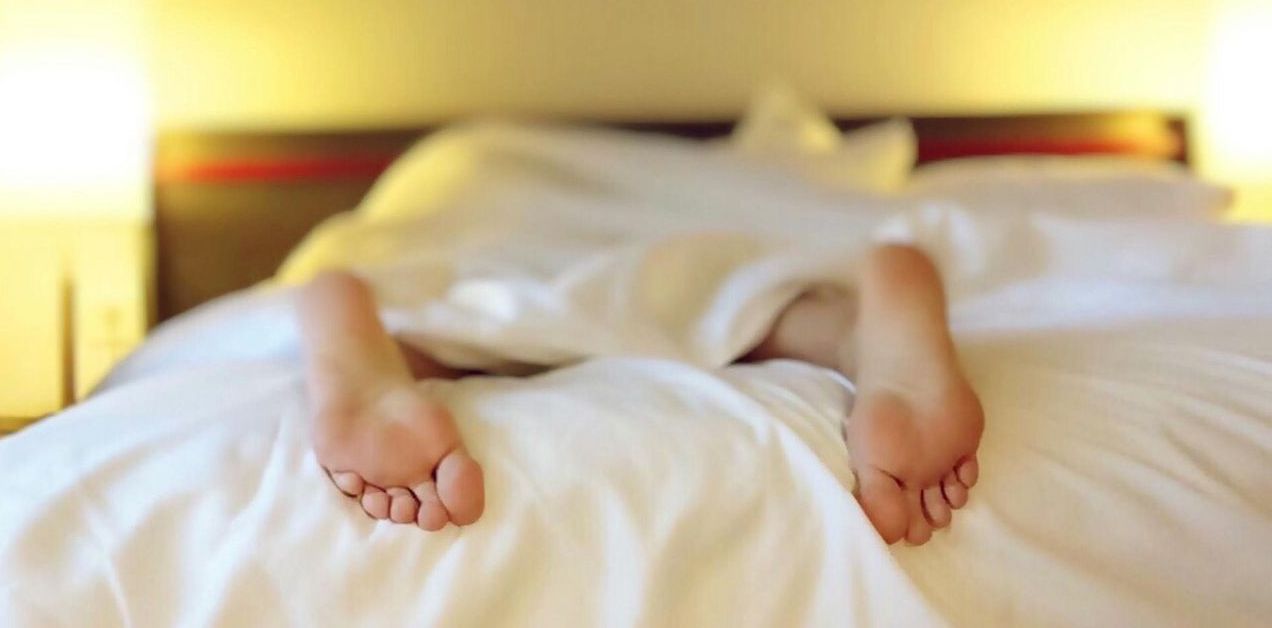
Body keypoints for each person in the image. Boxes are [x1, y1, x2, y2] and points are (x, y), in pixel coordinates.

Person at [298, 242, 984, 546]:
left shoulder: (476, 180)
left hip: (490, 271)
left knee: (457, 319)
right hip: (709, 259)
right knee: (759, 308)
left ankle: (363, 344)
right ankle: (859, 330)